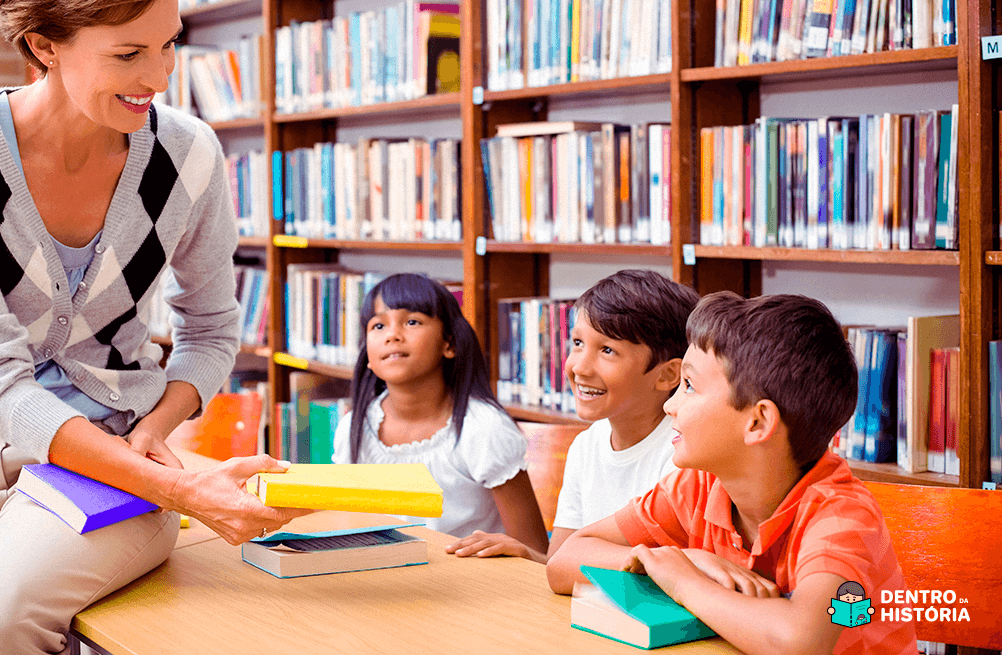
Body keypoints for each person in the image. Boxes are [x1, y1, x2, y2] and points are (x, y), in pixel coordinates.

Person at [0, 1, 306, 652]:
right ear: (44, 46)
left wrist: (153, 431)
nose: (159, 77)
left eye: (168, 44)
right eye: (128, 54)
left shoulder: (188, 157)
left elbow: (211, 328)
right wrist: (183, 490)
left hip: (114, 448)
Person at [546, 292, 918, 654]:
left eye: (689, 386)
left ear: (758, 422)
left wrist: (684, 582)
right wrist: (677, 561)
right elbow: (564, 560)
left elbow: (799, 642)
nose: (671, 405)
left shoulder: (841, 516)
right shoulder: (697, 487)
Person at [446, 270, 698, 562]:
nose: (579, 367)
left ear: (667, 375)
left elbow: (656, 570)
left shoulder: (682, 456)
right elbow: (560, 562)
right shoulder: (585, 446)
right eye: (577, 343)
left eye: (607, 350)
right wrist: (526, 554)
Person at [331, 273, 548, 554]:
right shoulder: (354, 427)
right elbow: (346, 526)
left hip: (470, 577)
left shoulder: (483, 429)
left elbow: (534, 552)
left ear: (450, 344)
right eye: (378, 325)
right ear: (367, 357)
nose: (392, 335)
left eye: (412, 322)